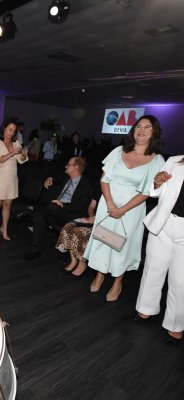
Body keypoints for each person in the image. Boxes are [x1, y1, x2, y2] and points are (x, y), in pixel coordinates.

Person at [84, 115, 164, 301]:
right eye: (138, 126)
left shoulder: (157, 160)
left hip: (132, 209)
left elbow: (147, 192)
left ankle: (118, 282)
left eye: (147, 127)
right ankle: (100, 274)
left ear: (154, 132)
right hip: (108, 203)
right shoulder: (119, 151)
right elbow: (104, 179)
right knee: (103, 239)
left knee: (122, 245)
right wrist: (111, 204)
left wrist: (123, 209)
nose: (141, 130)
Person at [135, 155, 184, 342]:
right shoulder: (175, 160)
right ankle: (146, 309)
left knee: (180, 281)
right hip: (164, 222)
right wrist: (157, 183)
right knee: (153, 269)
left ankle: (176, 324)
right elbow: (155, 193)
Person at [25, 157, 93, 260]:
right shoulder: (66, 177)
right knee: (41, 217)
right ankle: (35, 250)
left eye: (69, 164)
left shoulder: (86, 186)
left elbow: (81, 208)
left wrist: (62, 205)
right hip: (55, 210)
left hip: (70, 213)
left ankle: (33, 213)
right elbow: (53, 173)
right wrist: (50, 178)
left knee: (51, 207)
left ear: (76, 167)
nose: (66, 166)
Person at [0, 117, 28, 242]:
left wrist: (23, 155)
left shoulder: (16, 143)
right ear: (4, 128)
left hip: (11, 179)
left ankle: (4, 229)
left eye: (14, 131)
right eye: (10, 129)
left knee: (8, 205)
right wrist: (12, 153)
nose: (11, 132)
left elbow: (21, 161)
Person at [56, 184, 101, 276]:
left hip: (104, 223)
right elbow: (91, 207)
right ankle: (73, 261)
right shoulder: (99, 190)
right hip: (92, 219)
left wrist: (95, 220)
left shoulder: (116, 193)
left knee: (78, 233)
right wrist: (91, 217)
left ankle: (82, 263)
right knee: (69, 226)